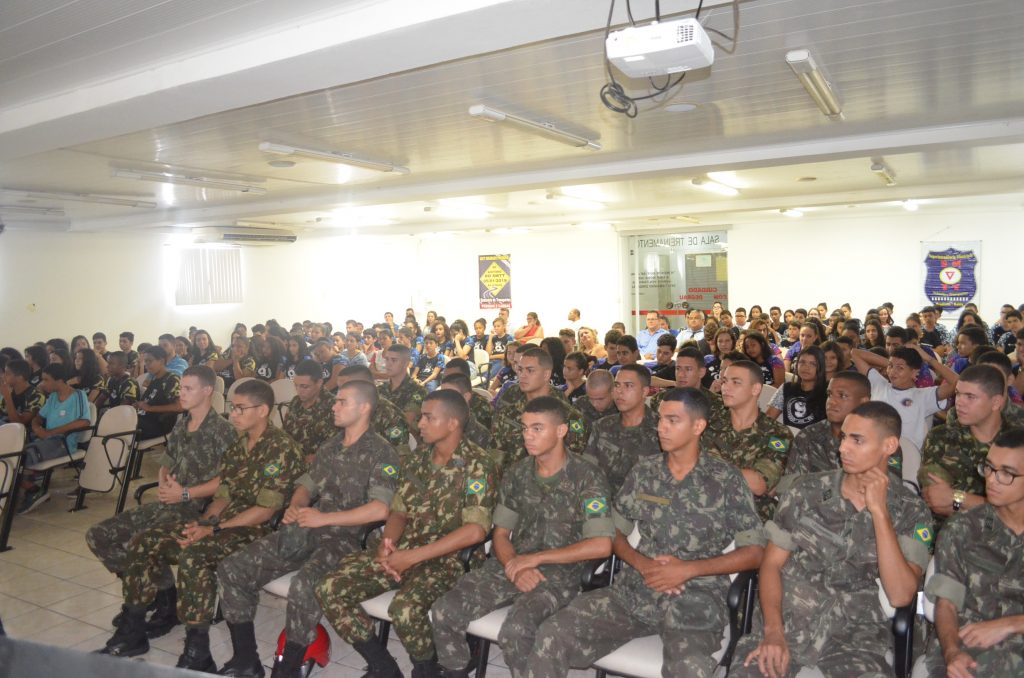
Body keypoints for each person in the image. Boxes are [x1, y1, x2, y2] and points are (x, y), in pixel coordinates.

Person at [529, 387, 765, 678]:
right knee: (553, 633)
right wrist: (642, 564)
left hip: (695, 596)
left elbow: (755, 552)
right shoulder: (644, 471)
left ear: (698, 426)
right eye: (661, 419)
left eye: (672, 420)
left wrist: (688, 570)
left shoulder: (726, 479)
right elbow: (613, 531)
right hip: (635, 588)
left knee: (689, 667)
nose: (661, 427)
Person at [98, 380, 305, 669]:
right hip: (224, 524)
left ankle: (197, 652)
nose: (233, 414)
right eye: (232, 408)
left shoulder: (281, 448)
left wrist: (213, 529)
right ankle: (133, 631)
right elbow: (223, 495)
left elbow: (265, 511)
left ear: (263, 411)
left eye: (240, 409)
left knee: (194, 556)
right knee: (144, 541)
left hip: (257, 531)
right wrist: (204, 524)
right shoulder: (239, 445)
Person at [731, 402, 930, 678]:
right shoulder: (806, 491)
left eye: (857, 440)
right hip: (788, 621)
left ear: (889, 446)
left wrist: (880, 513)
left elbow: (900, 594)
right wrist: (773, 631)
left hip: (854, 637)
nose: (843, 448)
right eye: (844, 437)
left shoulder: (912, 510)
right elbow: (771, 565)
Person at [217, 380, 399, 678]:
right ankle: (245, 657)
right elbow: (306, 484)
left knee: (305, 586)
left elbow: (380, 509)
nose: (333, 406)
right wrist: (296, 504)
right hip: (309, 528)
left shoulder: (382, 452)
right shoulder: (331, 446)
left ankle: (288, 667)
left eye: (342, 402)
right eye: (335, 400)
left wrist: (323, 518)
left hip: (349, 540)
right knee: (233, 568)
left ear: (365, 407)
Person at [314, 390, 499, 678]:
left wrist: (411, 557)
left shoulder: (477, 464)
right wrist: (388, 543)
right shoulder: (417, 458)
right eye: (421, 416)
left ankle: (425, 669)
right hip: (404, 550)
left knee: (405, 609)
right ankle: (383, 667)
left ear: (452, 423)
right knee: (329, 587)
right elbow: (398, 511)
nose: (419, 423)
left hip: (449, 560)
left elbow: (475, 530)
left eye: (428, 418)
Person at [432, 396, 614, 678]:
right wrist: (513, 565)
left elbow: (601, 545)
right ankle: (456, 672)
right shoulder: (518, 473)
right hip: (512, 563)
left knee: (516, 631)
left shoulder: (588, 477)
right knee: (445, 610)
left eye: (537, 428)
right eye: (525, 428)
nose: (528, 435)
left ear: (561, 431)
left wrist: (534, 559)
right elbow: (501, 534)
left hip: (560, 573)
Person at [86, 366, 235, 627]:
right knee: (98, 535)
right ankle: (155, 592)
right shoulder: (182, 426)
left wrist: (184, 493)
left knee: (141, 540)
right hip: (171, 503)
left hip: (198, 509)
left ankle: (164, 606)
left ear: (207, 391)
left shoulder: (223, 431)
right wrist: (165, 483)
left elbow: (229, 481)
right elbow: (166, 463)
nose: (181, 393)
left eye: (188, 388)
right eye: (181, 388)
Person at [920, 427, 1024, 678]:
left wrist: (1011, 624)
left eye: (1007, 473)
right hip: (968, 646)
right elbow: (946, 603)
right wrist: (952, 653)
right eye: (989, 468)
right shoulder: (963, 528)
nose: (992, 480)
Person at [919, 365, 1015, 524]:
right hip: (947, 531)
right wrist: (992, 509)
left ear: (996, 402)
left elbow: (1015, 512)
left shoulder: (1016, 443)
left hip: (1004, 537)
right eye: (958, 393)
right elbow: (936, 500)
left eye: (970, 397)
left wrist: (957, 497)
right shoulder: (941, 436)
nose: (959, 402)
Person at [704, 360, 793, 521]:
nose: (725, 387)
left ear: (755, 389)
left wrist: (705, 464)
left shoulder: (777, 434)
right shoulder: (707, 423)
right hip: (702, 507)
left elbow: (759, 484)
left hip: (749, 516)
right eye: (724, 381)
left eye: (736, 382)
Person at [491, 348, 590, 468]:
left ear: (546, 374)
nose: (522, 375)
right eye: (520, 369)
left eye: (530, 370)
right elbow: (496, 457)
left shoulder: (572, 418)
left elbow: (575, 463)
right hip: (513, 477)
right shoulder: (506, 414)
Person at [852, 345, 958, 450]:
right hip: (875, 451)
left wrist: (929, 359)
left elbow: (957, 382)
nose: (892, 372)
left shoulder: (923, 396)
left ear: (915, 372)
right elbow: (856, 353)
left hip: (907, 456)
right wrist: (894, 363)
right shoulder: (879, 384)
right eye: (890, 366)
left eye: (900, 368)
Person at [780, 372, 873, 492]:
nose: (831, 402)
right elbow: (789, 488)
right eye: (829, 394)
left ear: (864, 402)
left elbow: (888, 491)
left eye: (842, 396)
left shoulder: (878, 441)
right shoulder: (808, 436)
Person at [583, 364, 660, 494]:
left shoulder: (661, 430)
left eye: (628, 386)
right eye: (617, 385)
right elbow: (587, 472)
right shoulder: (602, 426)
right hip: (602, 501)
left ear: (644, 392)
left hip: (643, 503)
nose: (619, 391)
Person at [651, 346, 728, 430]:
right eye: (678, 368)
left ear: (701, 372)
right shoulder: (660, 399)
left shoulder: (718, 404)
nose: (681, 374)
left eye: (688, 369)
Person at [283, 359, 337, 463]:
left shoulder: (334, 407)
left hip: (319, 465)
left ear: (319, 383)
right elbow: (285, 434)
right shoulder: (296, 402)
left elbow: (341, 445)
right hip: (291, 459)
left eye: (304, 387)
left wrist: (318, 456)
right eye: (296, 385)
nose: (299, 391)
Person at [766, 346, 828, 430]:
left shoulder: (827, 393)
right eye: (802, 362)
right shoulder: (786, 388)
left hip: (814, 438)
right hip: (787, 436)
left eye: (813, 364)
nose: (806, 367)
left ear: (821, 367)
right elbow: (768, 419)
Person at [378, 343, 428, 437]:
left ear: (406, 363)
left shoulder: (418, 391)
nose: (388, 364)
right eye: (387, 359)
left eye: (394, 360)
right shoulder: (380, 389)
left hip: (402, 440)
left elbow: (406, 421)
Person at [136, 346, 184, 441]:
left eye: (149, 361)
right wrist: (138, 405)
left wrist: (150, 408)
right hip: (144, 419)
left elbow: (180, 407)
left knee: (120, 426)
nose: (146, 364)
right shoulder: (155, 378)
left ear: (161, 361)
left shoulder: (171, 379)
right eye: (145, 361)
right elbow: (147, 402)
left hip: (158, 424)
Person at [0, 358, 45, 427]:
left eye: (7, 374)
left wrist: (7, 396)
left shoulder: (36, 396)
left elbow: (19, 423)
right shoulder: (10, 391)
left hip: (21, 431)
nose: (3, 376)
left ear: (20, 377)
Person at [485, 317, 513, 382]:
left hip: (502, 361)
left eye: (498, 326)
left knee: (487, 375)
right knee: (482, 372)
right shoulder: (494, 338)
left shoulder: (509, 337)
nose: (496, 328)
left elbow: (506, 355)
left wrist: (491, 356)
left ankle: (483, 382)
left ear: (503, 326)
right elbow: (487, 353)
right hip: (492, 361)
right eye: (494, 326)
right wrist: (490, 338)